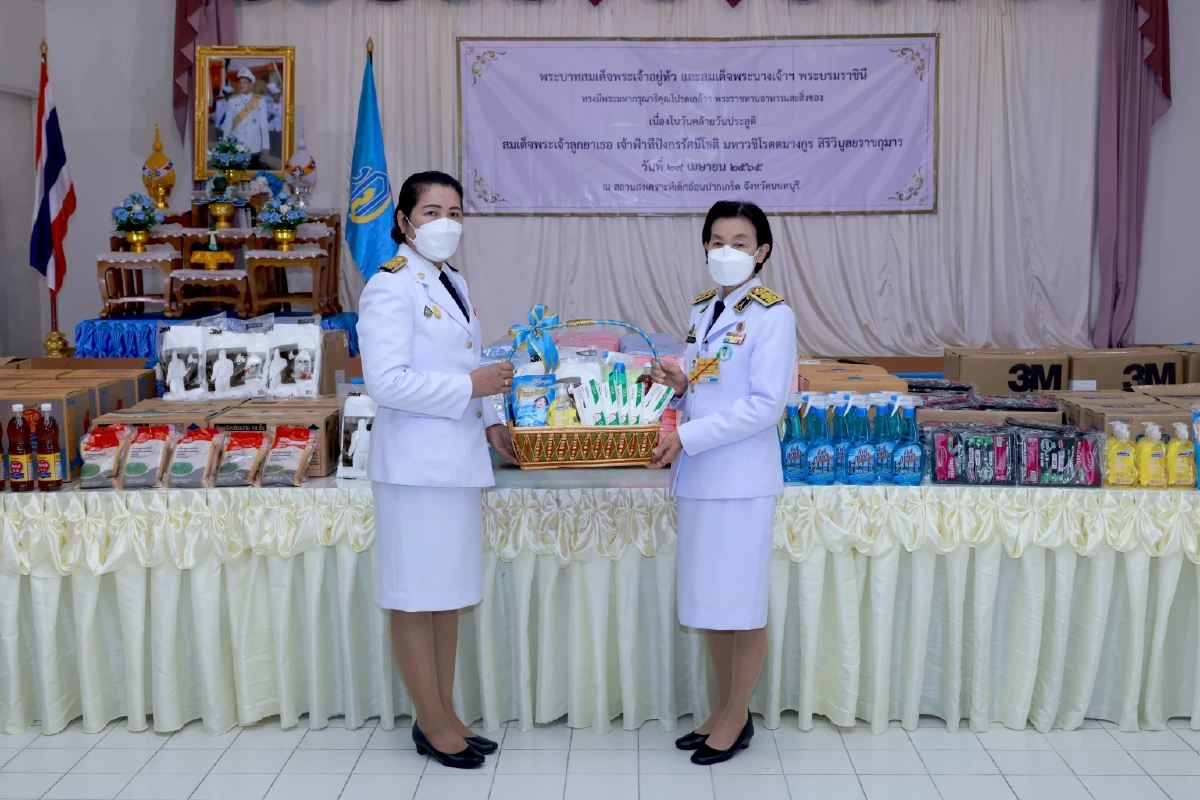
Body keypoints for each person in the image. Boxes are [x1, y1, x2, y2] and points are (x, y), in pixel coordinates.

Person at [357, 170, 519, 769]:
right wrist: (468, 387)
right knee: (412, 598)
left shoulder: (453, 280)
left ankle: (445, 712)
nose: (445, 222)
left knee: (446, 596)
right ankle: (429, 722)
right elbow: (386, 383)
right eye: (431, 212)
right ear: (404, 222)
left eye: (454, 210)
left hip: (456, 461)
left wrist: (490, 418)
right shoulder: (390, 286)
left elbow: (472, 361)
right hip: (415, 468)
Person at [649, 200, 796, 766]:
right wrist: (680, 382)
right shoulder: (704, 309)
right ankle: (721, 708)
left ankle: (738, 716)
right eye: (716, 241)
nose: (725, 251)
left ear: (761, 252)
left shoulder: (773, 315)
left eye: (739, 242)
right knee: (712, 601)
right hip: (703, 476)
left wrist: (689, 436)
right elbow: (710, 386)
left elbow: (764, 406)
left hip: (740, 479)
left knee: (741, 603)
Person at [221, 68, 270, 168]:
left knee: (254, 175)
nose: (241, 85)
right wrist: (225, 145)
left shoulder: (260, 101)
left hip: (254, 144)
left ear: (251, 85)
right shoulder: (232, 101)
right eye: (240, 83)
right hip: (237, 145)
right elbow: (228, 124)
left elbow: (264, 124)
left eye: (245, 82)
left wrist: (266, 145)